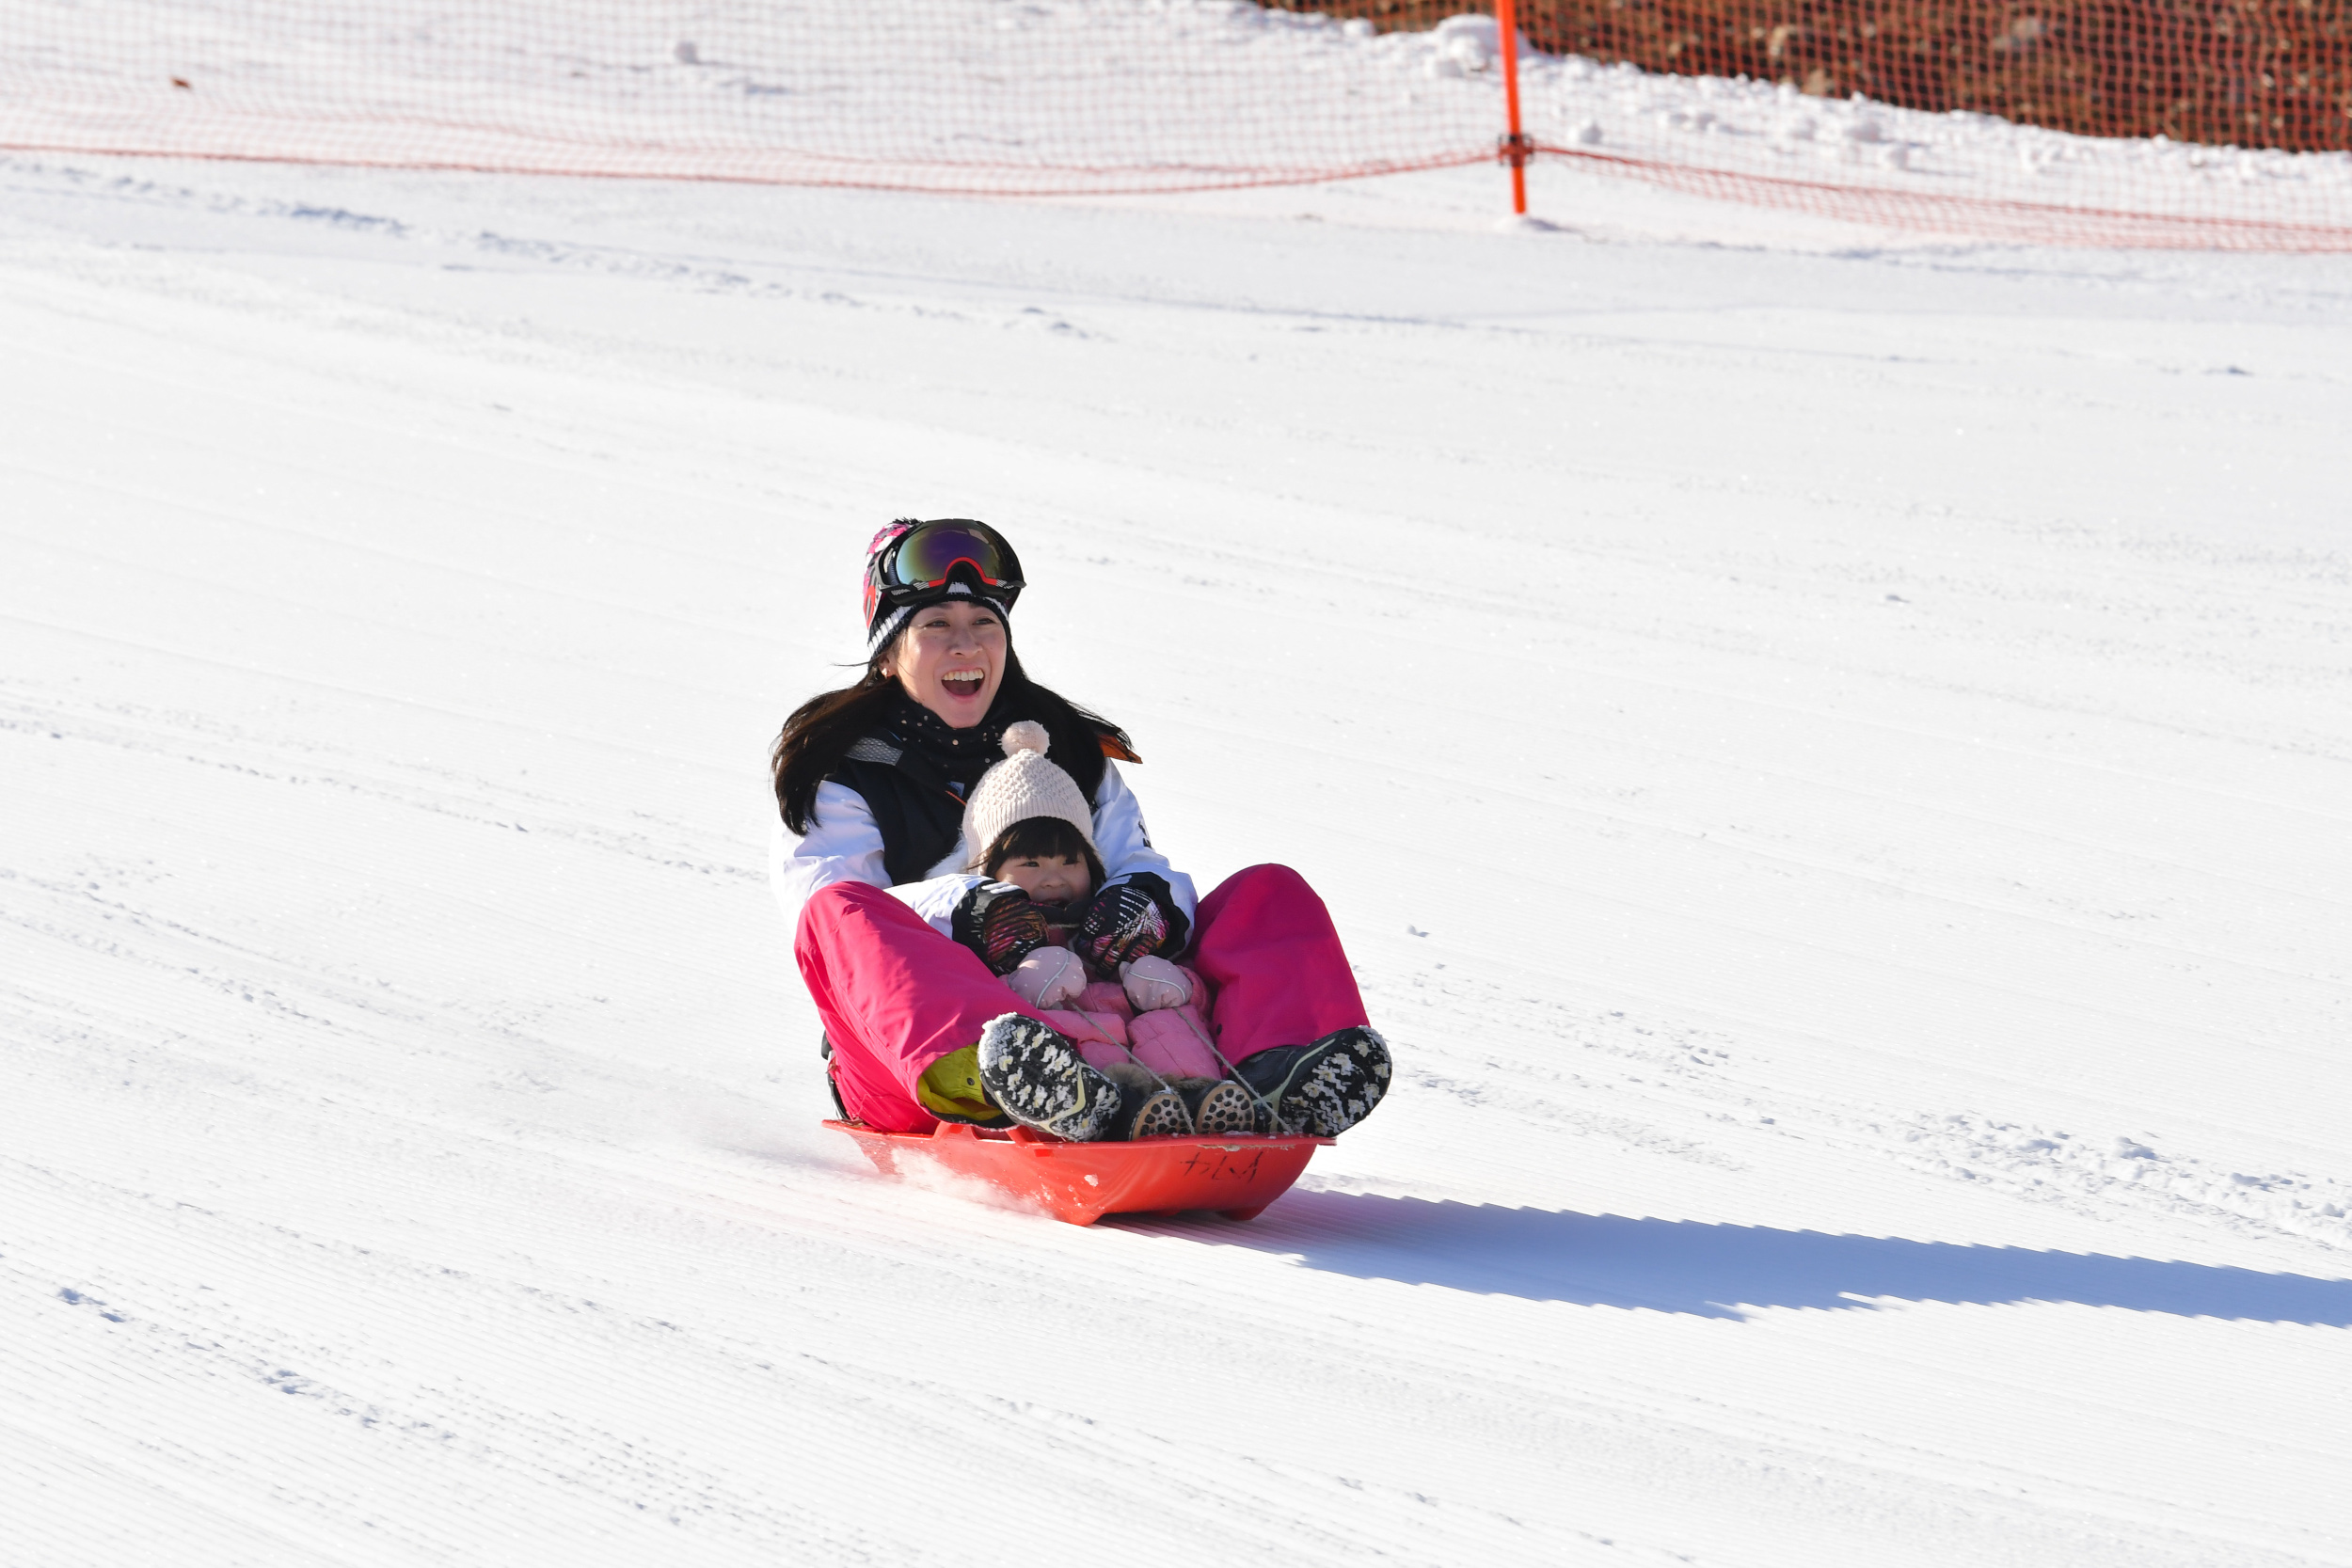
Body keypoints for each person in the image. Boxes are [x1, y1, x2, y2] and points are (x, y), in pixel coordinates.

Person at [770, 517, 1390, 1143]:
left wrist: (1146, 899)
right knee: (837, 912)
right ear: (888, 652)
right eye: (936, 626)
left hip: (1105, 1019)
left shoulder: (1065, 749)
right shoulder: (842, 770)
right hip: (909, 1065)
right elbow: (833, 932)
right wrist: (966, 907)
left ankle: (1281, 1073)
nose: (965, 645)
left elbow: (1133, 857)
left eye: (984, 623)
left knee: (1268, 893)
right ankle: (1010, 1078)